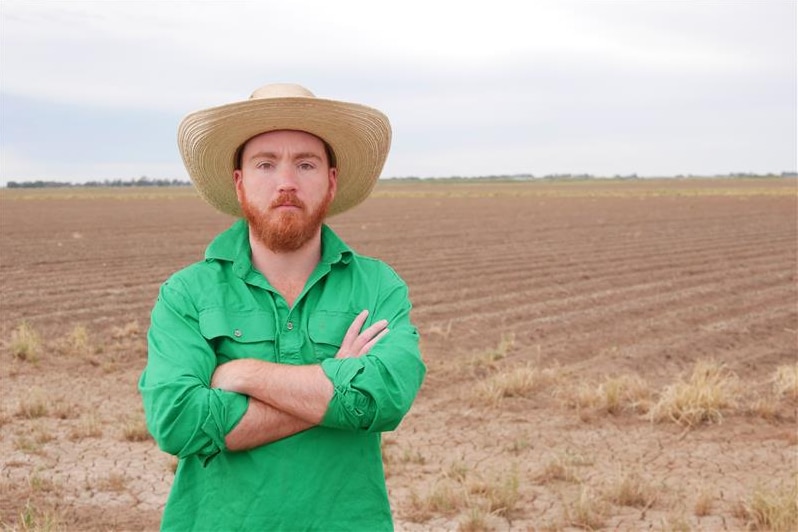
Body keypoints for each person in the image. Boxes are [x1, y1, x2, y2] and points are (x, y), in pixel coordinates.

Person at [139, 83, 426, 531]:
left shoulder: (377, 286)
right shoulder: (187, 294)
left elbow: (382, 400)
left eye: (306, 164)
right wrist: (334, 379)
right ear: (240, 182)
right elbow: (178, 422)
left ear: (331, 181)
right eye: (266, 163)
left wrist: (245, 375)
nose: (286, 182)